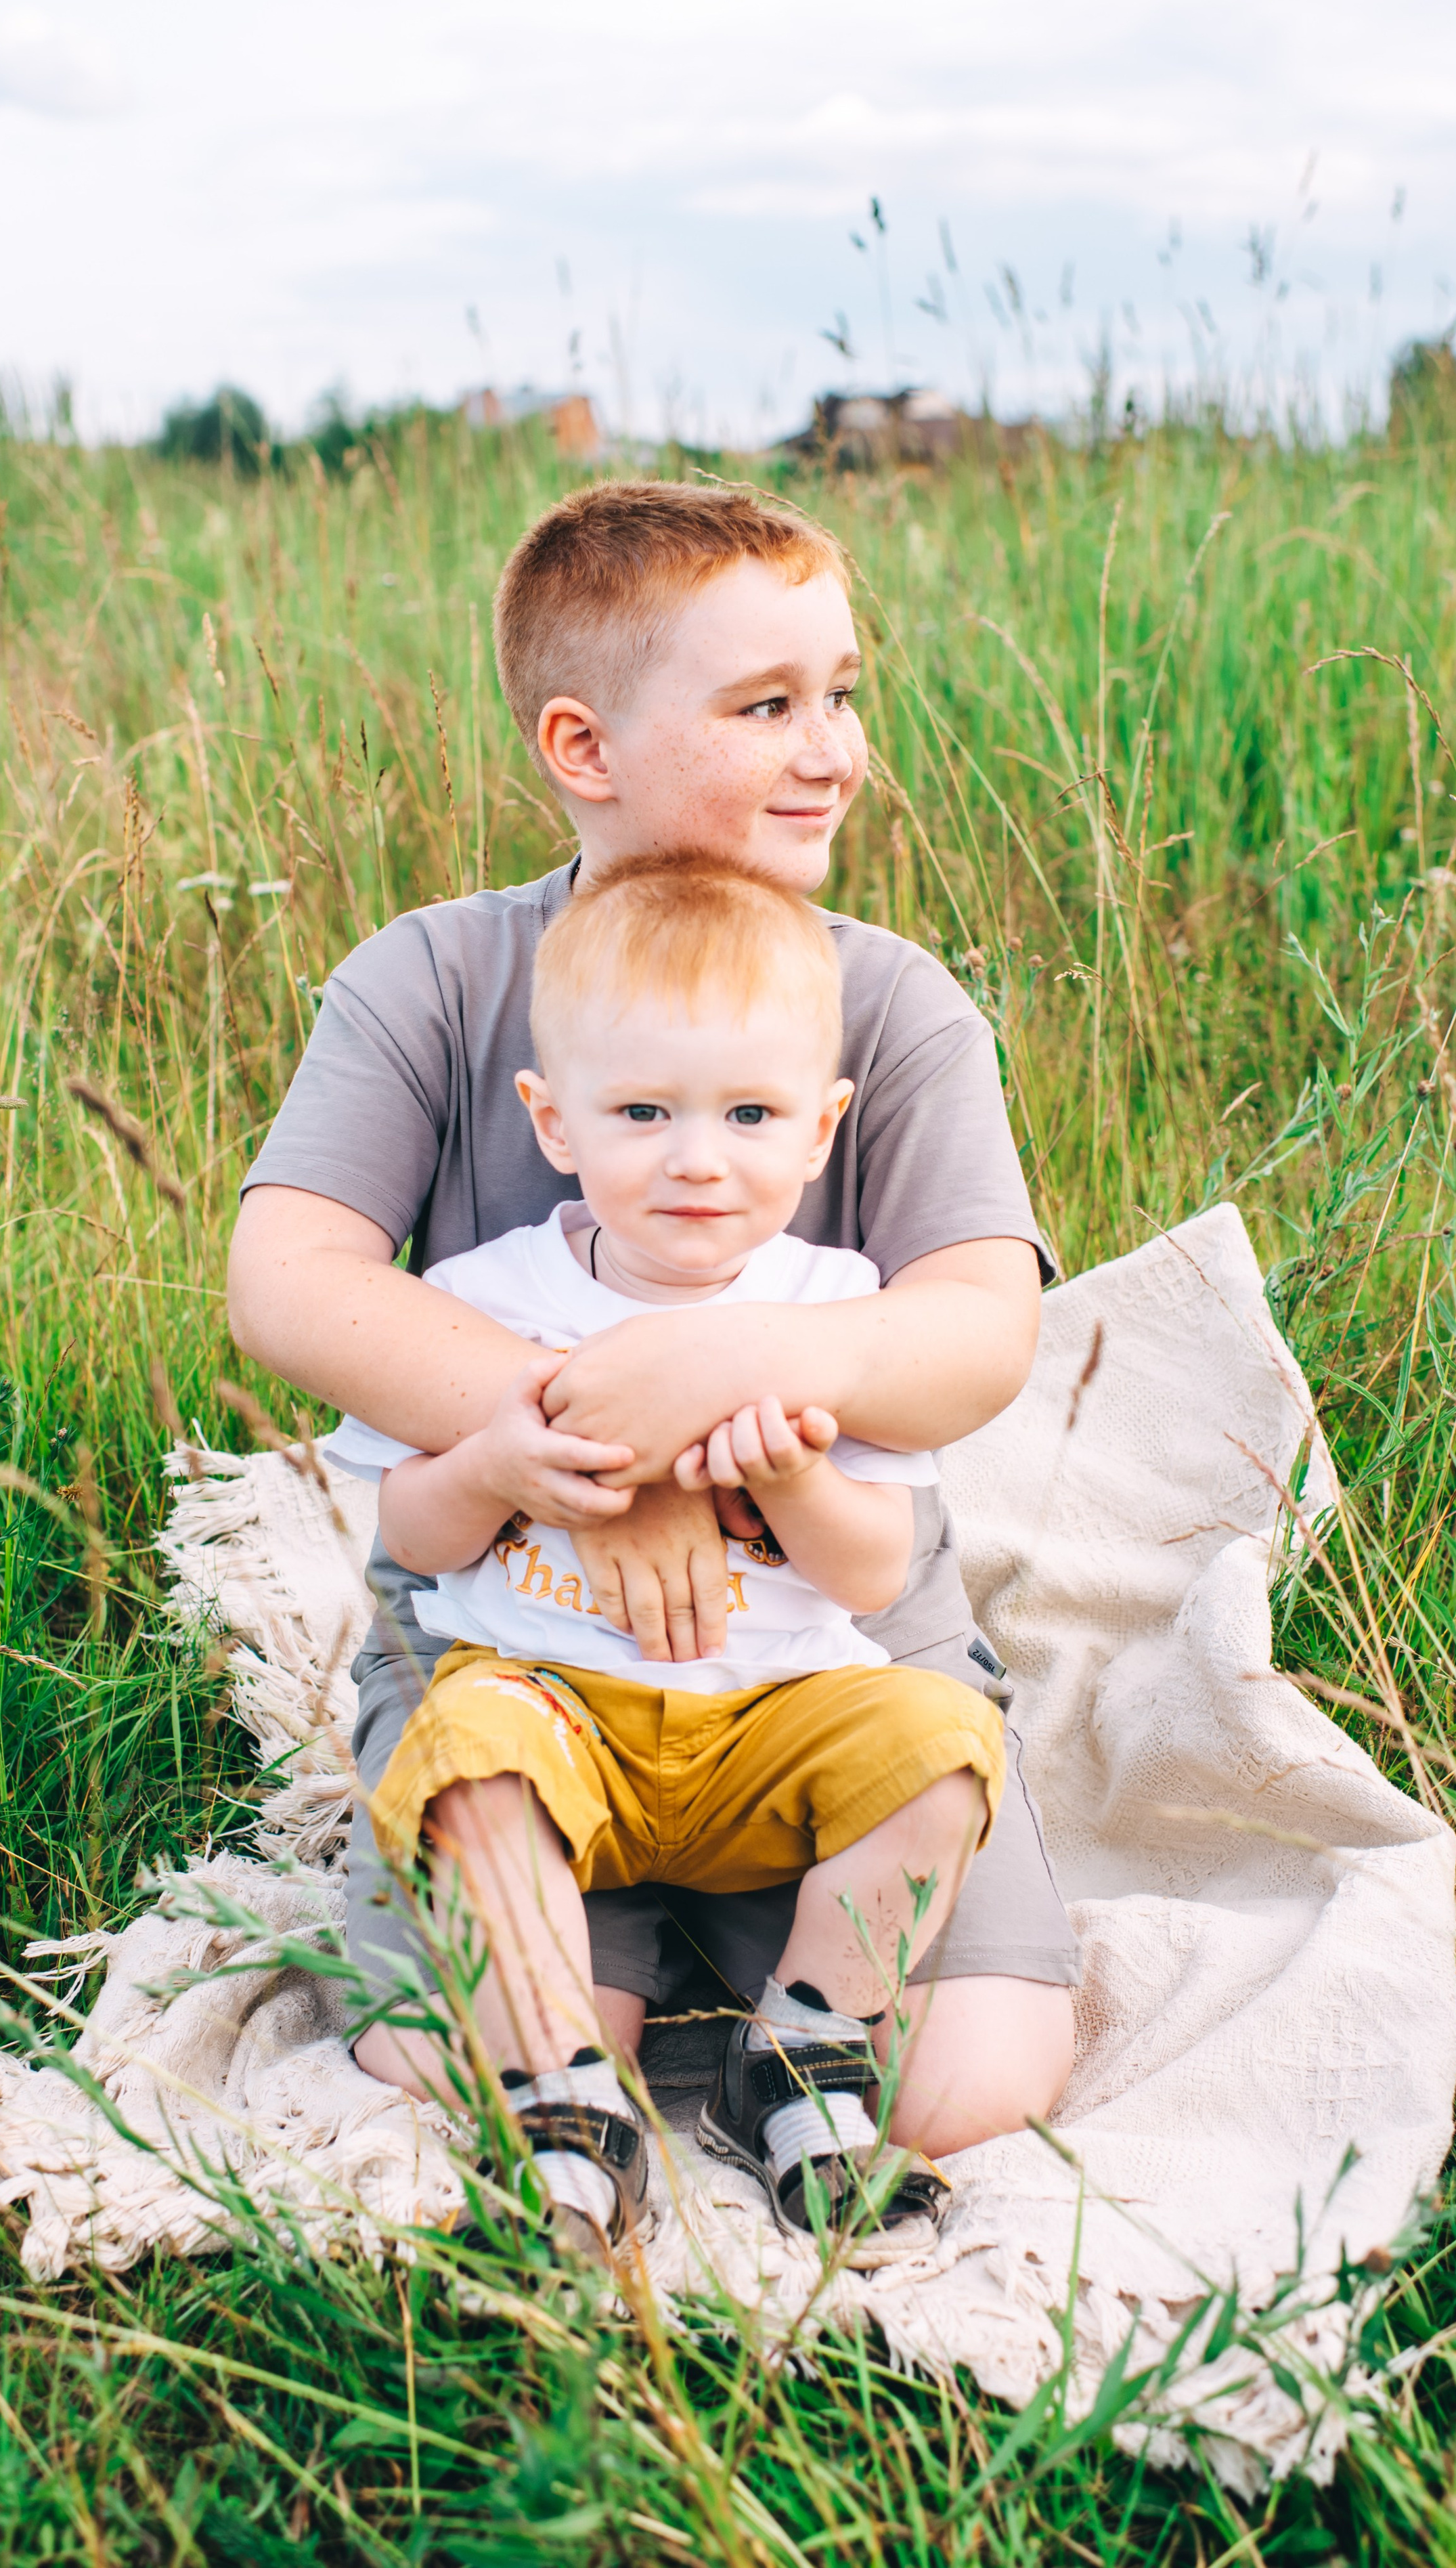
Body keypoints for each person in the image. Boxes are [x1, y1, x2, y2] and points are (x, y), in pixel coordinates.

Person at [227, 478, 1076, 2198]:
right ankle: (596, 2014)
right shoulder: (436, 980)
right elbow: (293, 1277)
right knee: (441, 2058)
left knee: (965, 2087)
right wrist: (608, 1464)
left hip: (826, 1638)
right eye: (765, 705)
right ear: (581, 742)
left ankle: (788, 2034)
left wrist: (728, 1381)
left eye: (840, 691)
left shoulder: (890, 1002)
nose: (830, 746)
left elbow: (977, 1329)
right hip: (525, 1631)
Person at [317, 861, 1010, 2250]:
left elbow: (874, 1571)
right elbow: (399, 1530)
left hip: (774, 1726)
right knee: (465, 1758)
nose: (697, 1157)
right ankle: (564, 2088)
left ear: (819, 1132)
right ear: (552, 1119)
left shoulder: (835, 1311)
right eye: (643, 1113)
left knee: (942, 1743)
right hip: (554, 1706)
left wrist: (798, 1478)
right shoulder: (482, 1302)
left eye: (748, 1115)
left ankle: (805, 2049)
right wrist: (497, 1467)